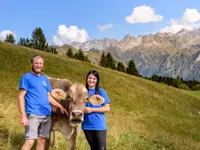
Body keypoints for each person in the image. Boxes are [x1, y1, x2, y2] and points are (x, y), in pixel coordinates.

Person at [18, 55, 68, 150]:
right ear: (32, 63)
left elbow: (49, 97)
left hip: (46, 115)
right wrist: (23, 116)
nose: (38, 65)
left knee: (41, 140)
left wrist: (59, 106)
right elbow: (20, 97)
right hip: (33, 114)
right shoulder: (26, 77)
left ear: (43, 65)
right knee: (29, 141)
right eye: (36, 63)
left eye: (40, 63)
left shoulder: (45, 79)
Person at [82, 70, 110, 150]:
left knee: (101, 148)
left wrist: (92, 109)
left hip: (99, 125)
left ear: (97, 80)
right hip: (86, 125)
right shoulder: (83, 91)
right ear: (86, 79)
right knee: (93, 148)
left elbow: (107, 108)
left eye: (94, 79)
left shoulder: (101, 91)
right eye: (89, 78)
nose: (91, 80)